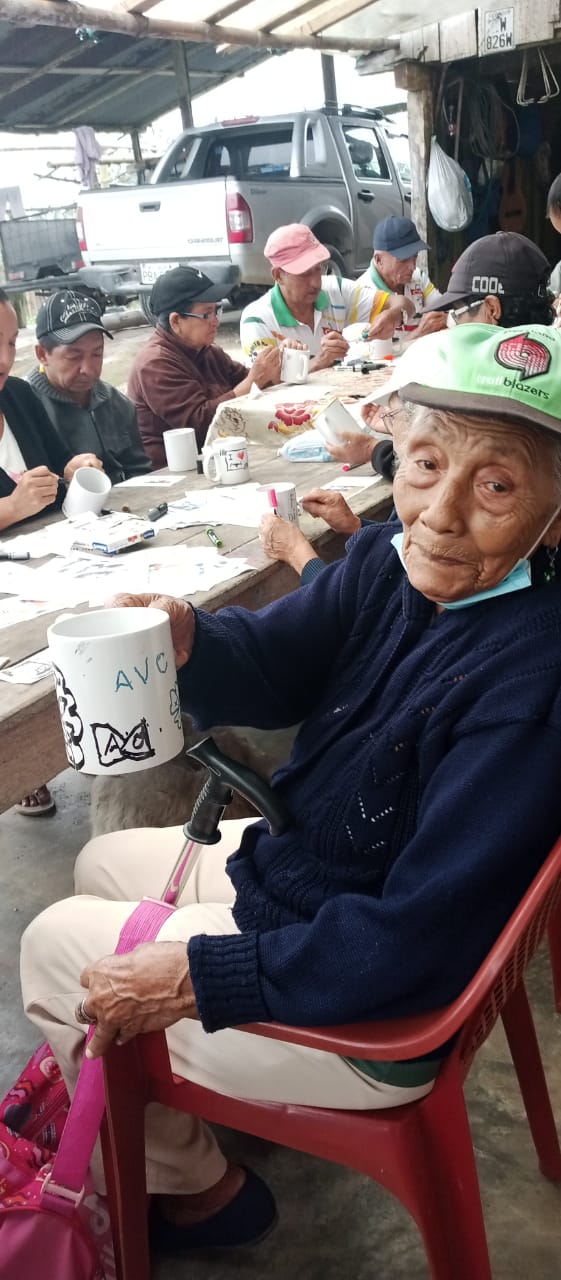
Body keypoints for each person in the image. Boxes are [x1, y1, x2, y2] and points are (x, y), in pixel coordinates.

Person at [21, 321, 561, 1252]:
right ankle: (185, 1105)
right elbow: (279, 663)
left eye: (497, 485)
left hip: (382, 995)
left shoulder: (532, 682)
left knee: (51, 948)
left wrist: (204, 977)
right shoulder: (389, 562)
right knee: (103, 863)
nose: (439, 514)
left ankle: (202, 1192)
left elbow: (416, 939)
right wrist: (192, 640)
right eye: (425, 464)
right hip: (320, 872)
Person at [331, 230, 556, 475]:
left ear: (492, 309)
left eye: (456, 314)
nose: (452, 325)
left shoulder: (471, 380)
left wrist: (379, 446)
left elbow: (447, 479)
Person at [0, 288, 104, 817]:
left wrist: (73, 467)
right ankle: (26, 758)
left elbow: (58, 462)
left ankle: (103, 727)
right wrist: (9, 509)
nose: (3, 358)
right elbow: (19, 503)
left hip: (50, 555)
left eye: (8, 342)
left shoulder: (17, 395)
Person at [128, 266, 282, 467]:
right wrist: (254, 381)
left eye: (216, 311)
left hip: (217, 457)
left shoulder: (207, 351)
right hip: (174, 469)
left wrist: (276, 366)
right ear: (176, 321)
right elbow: (200, 424)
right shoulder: (155, 363)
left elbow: (249, 381)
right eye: (207, 314)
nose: (216, 321)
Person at [240, 224, 413, 370]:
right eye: (304, 273)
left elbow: (405, 304)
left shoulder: (336, 289)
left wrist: (394, 316)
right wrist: (319, 361)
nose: (316, 282)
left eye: (319, 268)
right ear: (278, 275)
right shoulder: (257, 320)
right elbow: (262, 382)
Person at [28, 291, 150, 484]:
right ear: (42, 354)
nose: (88, 369)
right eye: (74, 356)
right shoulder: (23, 409)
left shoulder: (117, 403)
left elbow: (141, 471)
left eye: (97, 354)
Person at [356, 214, 445, 339]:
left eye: (415, 256)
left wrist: (443, 317)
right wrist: (418, 335)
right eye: (403, 260)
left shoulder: (418, 276)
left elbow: (442, 309)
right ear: (379, 260)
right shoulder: (361, 294)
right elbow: (369, 349)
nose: (412, 266)